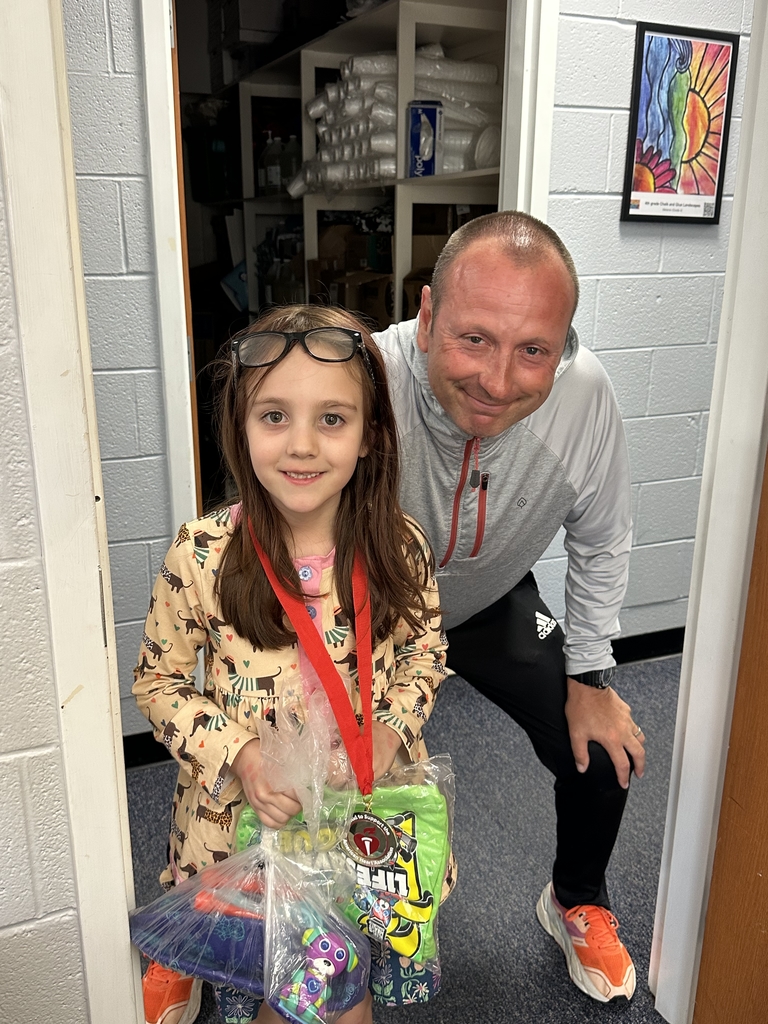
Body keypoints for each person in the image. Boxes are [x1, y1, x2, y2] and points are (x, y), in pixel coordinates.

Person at [132, 306, 448, 1024]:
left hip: (362, 818)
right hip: (245, 825)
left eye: (332, 419)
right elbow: (158, 682)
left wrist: (391, 733)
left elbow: (425, 653)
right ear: (240, 430)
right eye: (274, 415)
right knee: (279, 988)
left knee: (340, 980)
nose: (301, 445)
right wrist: (242, 756)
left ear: (371, 436)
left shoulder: (400, 547)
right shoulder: (204, 554)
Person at [372, 210, 645, 1003]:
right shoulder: (367, 375)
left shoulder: (584, 399)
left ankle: (577, 901)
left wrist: (591, 677)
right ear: (425, 318)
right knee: (276, 759)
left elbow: (603, 537)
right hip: (365, 613)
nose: (497, 382)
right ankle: (214, 912)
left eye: (534, 351)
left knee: (604, 750)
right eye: (474, 339)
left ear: (563, 348)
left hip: (487, 603)